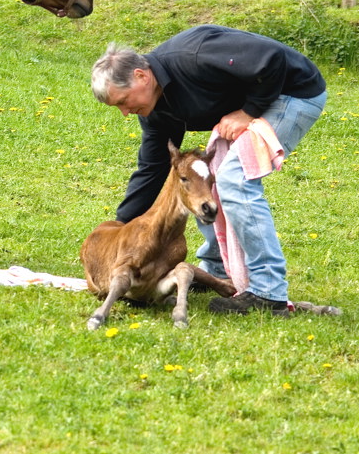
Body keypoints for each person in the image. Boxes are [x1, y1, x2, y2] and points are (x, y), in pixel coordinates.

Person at [90, 25, 327, 316]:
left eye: (124, 102)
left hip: (290, 94)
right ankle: (217, 269)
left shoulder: (194, 56)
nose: (125, 112)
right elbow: (153, 169)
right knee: (202, 181)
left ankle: (269, 292)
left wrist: (250, 111)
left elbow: (272, 58)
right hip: (262, 99)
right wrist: (120, 231)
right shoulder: (155, 109)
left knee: (234, 180)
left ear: (141, 76)